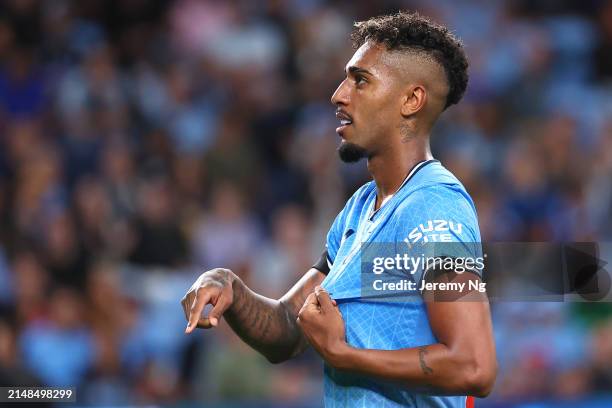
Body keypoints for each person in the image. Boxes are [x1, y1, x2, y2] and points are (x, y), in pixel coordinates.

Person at [181, 11, 496, 407]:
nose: (339, 94)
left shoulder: (434, 208)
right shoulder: (360, 209)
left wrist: (344, 355)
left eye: (360, 80)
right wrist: (230, 286)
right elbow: (288, 330)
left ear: (411, 100)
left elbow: (473, 366)